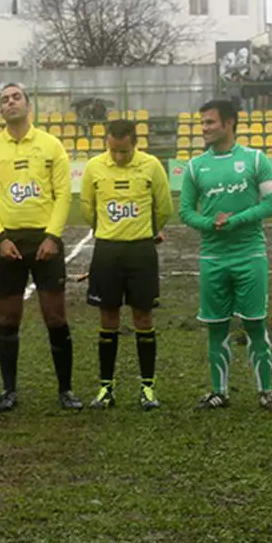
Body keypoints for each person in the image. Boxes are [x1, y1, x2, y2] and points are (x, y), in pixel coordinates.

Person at [0, 83, 80, 411]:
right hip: (9, 244)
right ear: (0, 109)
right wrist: (0, 237)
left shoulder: (51, 145)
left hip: (45, 243)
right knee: (8, 319)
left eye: (15, 97)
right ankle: (9, 391)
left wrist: (53, 236)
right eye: (4, 99)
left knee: (55, 317)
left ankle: (66, 391)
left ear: (28, 104)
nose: (10, 102)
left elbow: (64, 195)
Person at [179, 99, 272, 411]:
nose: (205, 129)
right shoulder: (195, 166)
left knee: (255, 323)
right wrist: (210, 224)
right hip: (213, 258)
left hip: (250, 255)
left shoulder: (255, 159)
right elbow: (185, 212)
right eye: (203, 124)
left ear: (229, 123)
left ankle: (266, 391)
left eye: (210, 123)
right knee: (216, 326)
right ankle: (219, 392)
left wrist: (235, 220)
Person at [80, 120, 172, 410]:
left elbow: (164, 207)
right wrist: (107, 231)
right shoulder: (95, 167)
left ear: (135, 142)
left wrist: (147, 231)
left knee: (143, 318)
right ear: (107, 142)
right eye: (114, 150)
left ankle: (148, 389)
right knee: (108, 317)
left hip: (141, 251)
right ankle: (106, 389)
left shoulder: (152, 165)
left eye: (124, 151)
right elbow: (87, 207)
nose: (119, 157)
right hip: (107, 251)